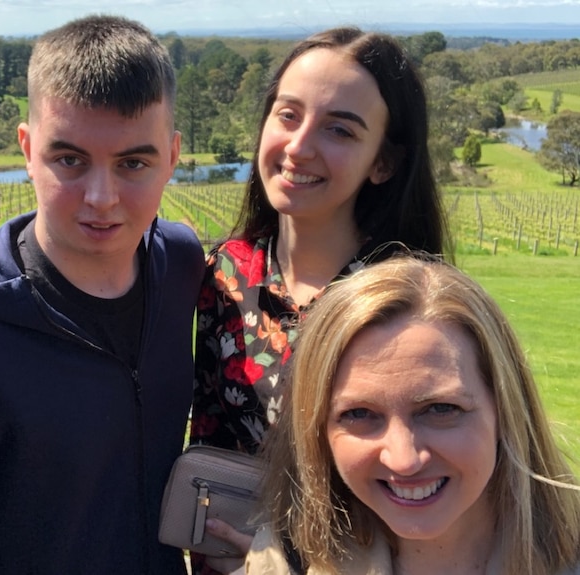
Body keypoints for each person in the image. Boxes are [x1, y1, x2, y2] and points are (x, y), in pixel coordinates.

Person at [0, 14, 204, 574]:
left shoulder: (182, 264)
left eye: (133, 163)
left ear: (172, 157)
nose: (101, 197)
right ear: (27, 149)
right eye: (69, 160)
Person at [189, 27, 450, 573]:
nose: (300, 146)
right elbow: (213, 437)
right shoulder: (226, 273)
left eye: (339, 130)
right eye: (288, 115)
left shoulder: (408, 299)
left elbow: (428, 474)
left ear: (384, 163)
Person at [246, 255, 580, 575]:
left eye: (441, 409)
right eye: (358, 414)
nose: (404, 460)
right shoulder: (286, 561)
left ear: (505, 410)